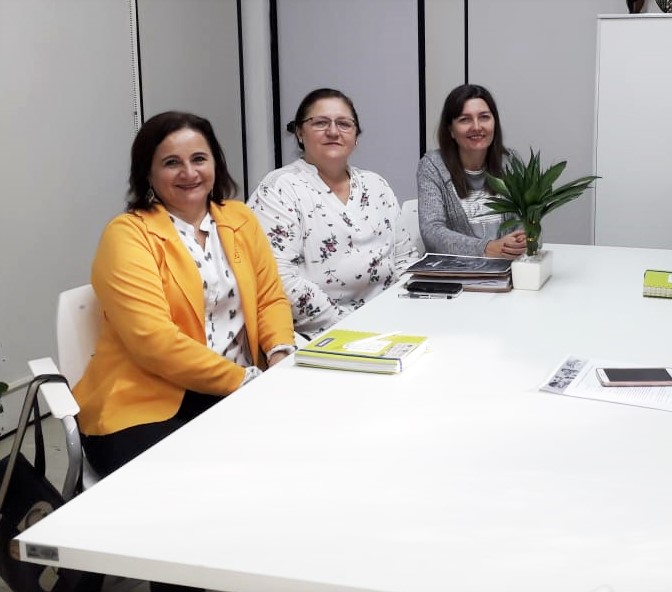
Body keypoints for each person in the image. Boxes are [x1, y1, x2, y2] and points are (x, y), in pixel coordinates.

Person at [75, 111, 295, 591]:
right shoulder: (128, 234)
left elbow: (270, 298)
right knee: (187, 508)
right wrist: (246, 382)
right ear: (148, 173)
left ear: (216, 162)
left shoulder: (238, 220)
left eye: (199, 158)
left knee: (301, 472)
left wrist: (280, 353)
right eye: (171, 162)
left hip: (235, 394)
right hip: (144, 403)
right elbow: (153, 341)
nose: (189, 172)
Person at [250, 88, 419, 336]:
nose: (333, 131)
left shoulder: (376, 185)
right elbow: (278, 277)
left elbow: (406, 260)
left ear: (356, 135)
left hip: (389, 321)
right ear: (300, 133)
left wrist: (403, 312)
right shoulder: (280, 189)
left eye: (344, 124)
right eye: (320, 123)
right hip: (317, 333)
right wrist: (351, 325)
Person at [417, 83, 526, 259]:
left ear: (494, 122)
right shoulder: (433, 166)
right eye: (465, 119)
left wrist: (522, 240)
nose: (476, 126)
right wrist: (487, 248)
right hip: (454, 270)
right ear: (451, 130)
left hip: (509, 268)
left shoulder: (511, 162)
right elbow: (432, 232)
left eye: (484, 117)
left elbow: (527, 218)